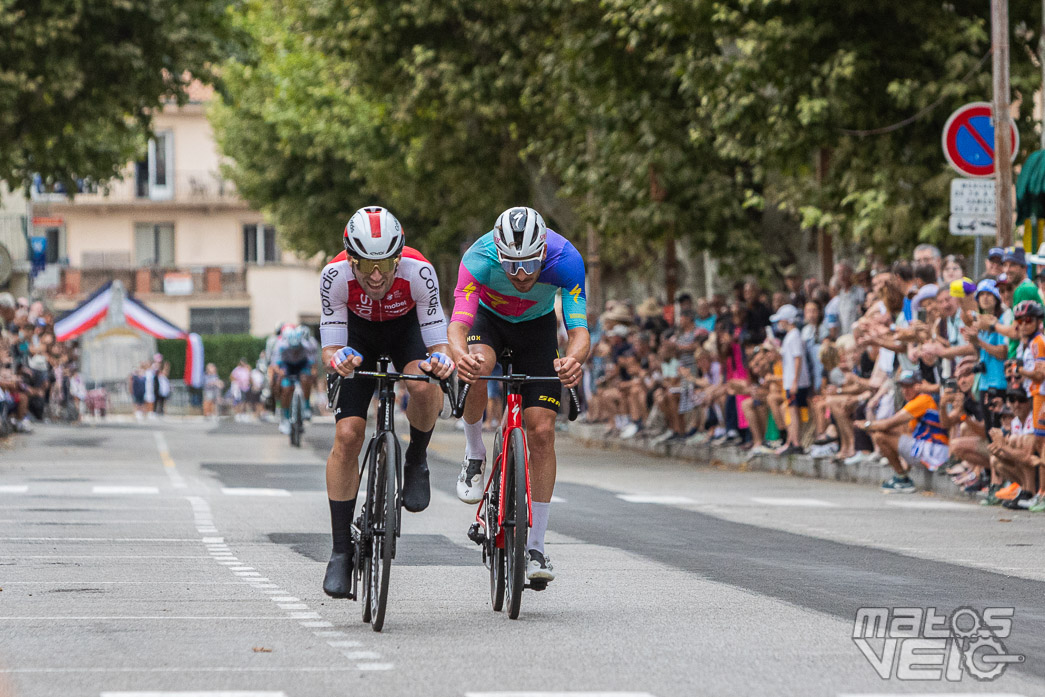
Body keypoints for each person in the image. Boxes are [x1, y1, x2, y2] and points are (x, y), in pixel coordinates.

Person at [319, 205, 454, 598]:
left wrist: (441, 361)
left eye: (385, 265)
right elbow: (330, 348)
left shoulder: (419, 272)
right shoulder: (334, 276)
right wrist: (338, 360)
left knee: (425, 385)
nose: (376, 276)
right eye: (365, 265)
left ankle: (416, 458)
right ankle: (341, 551)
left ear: (399, 257)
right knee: (347, 435)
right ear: (350, 258)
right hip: (355, 336)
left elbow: (438, 341)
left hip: (404, 330)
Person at [449, 206, 589, 583]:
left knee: (541, 431)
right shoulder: (478, 258)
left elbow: (578, 330)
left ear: (543, 252)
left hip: (537, 329)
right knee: (477, 364)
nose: (522, 274)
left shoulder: (566, 259)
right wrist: (460, 357)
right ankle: (475, 451)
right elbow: (458, 324)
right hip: (488, 323)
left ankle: (537, 548)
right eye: (512, 265)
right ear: (499, 253)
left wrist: (573, 361)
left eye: (530, 264)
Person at [771, 304, 809, 455]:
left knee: (793, 412)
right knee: (791, 411)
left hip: (795, 382)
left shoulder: (794, 336)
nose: (779, 323)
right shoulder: (790, 336)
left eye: (781, 319)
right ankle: (791, 441)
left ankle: (795, 442)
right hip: (792, 380)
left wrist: (794, 381)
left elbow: (797, 359)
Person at [271, 327, 314, 434]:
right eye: (292, 348)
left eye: (297, 348)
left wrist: (311, 372)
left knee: (306, 378)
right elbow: (275, 365)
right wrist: (280, 372)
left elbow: (311, 362)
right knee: (286, 389)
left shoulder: (306, 345)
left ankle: (307, 406)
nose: (294, 351)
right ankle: (285, 418)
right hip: (286, 365)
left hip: (301, 364)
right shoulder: (280, 346)